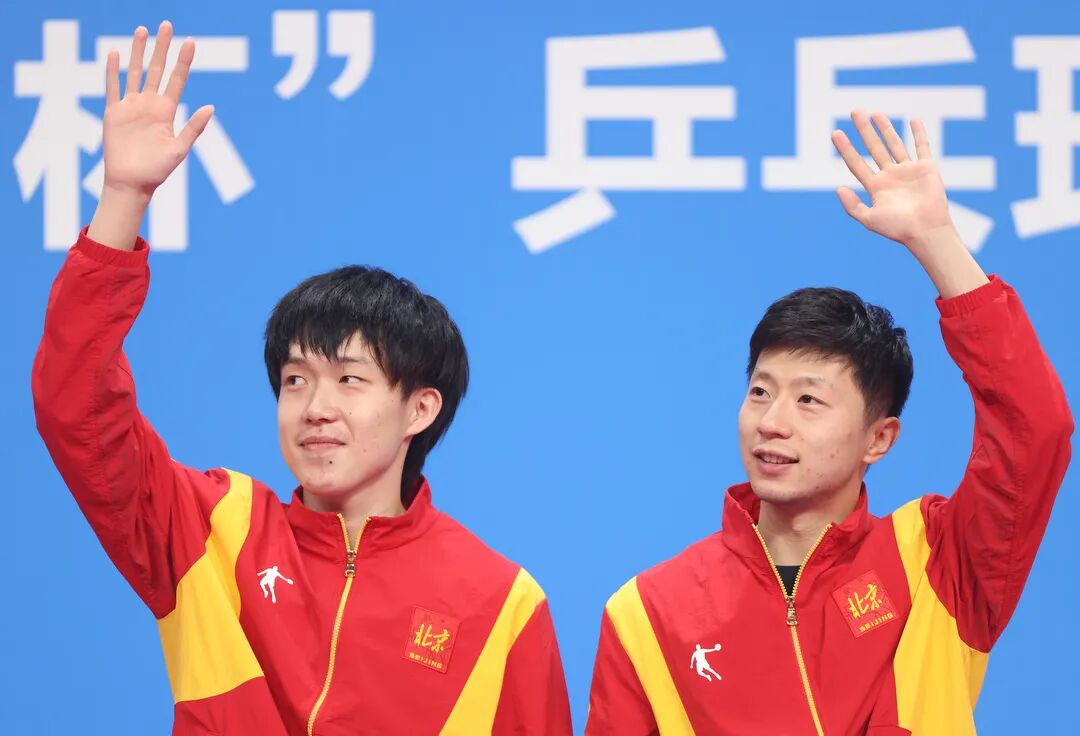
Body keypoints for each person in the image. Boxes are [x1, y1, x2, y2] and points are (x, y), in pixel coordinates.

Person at [33, 21, 571, 735]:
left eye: (349, 380)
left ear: (419, 408)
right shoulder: (212, 531)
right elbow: (76, 403)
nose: (316, 407)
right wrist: (123, 196)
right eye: (295, 380)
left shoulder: (502, 603)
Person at [584, 110, 1073, 735]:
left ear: (879, 438)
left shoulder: (938, 563)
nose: (772, 422)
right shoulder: (648, 612)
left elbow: (1035, 426)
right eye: (761, 392)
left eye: (809, 400)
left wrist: (936, 240)